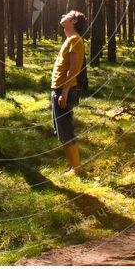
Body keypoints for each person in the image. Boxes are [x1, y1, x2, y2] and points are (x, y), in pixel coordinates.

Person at [51, 10, 87, 174]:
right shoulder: (69, 40)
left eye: (67, 15)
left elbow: (73, 69)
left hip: (64, 90)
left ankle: (76, 169)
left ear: (73, 22)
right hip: (58, 89)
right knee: (62, 131)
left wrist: (64, 92)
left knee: (66, 130)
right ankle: (71, 167)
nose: (62, 15)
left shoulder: (75, 40)